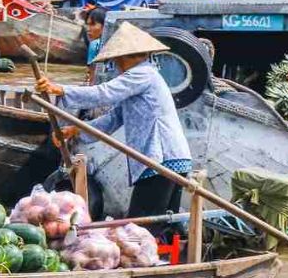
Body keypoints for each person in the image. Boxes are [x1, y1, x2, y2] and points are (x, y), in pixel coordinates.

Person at [35, 22, 192, 219]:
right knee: (162, 221)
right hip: (168, 158)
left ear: (127, 57)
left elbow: (104, 93)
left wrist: (61, 89)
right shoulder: (141, 78)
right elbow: (113, 118)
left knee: (144, 222)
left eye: (117, 60)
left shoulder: (142, 74)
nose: (116, 65)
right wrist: (76, 130)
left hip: (162, 158)